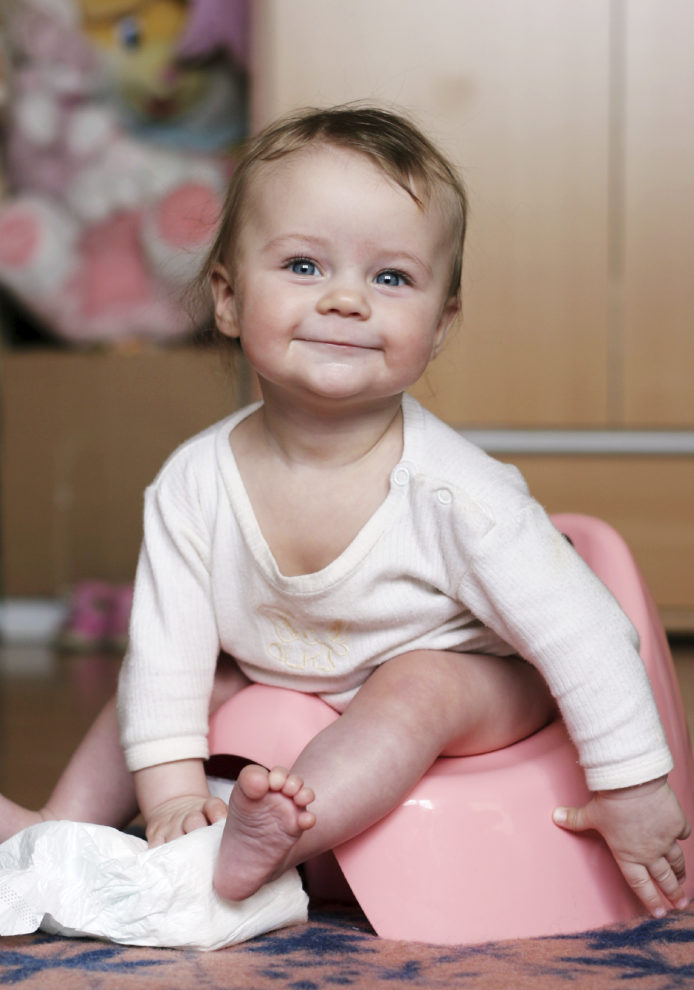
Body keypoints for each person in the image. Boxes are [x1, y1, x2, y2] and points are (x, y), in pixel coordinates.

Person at [1, 105, 690, 921]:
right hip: (289, 673)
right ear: (227, 298)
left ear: (440, 326)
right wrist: (172, 797)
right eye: (302, 265)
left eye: (390, 278)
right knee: (182, 674)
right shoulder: (193, 484)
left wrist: (633, 787)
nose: (347, 301)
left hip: (475, 678)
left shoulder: (457, 494)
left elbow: (588, 634)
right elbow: (163, 654)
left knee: (418, 684)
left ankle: (279, 835)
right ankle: (57, 828)